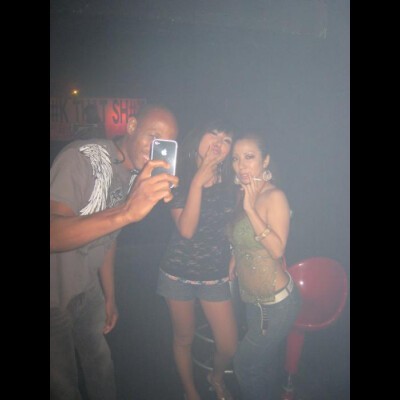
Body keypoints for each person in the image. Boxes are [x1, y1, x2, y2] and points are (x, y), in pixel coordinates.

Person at [50, 104, 179, 400]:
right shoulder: (82, 158)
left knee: (101, 368)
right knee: (63, 385)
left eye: (166, 143)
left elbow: (108, 239)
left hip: (88, 291)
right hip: (52, 300)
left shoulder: (135, 177)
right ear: (131, 126)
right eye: (153, 135)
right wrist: (126, 212)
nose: (156, 148)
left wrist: (109, 296)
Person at [156, 119, 238, 400]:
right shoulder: (176, 175)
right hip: (178, 272)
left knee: (228, 345)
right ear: (199, 136)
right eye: (213, 133)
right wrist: (197, 183)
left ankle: (215, 376)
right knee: (184, 338)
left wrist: (235, 251)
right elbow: (187, 230)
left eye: (226, 139)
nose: (219, 143)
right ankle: (190, 392)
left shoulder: (232, 178)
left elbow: (236, 220)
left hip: (215, 273)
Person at [228, 131, 301, 400]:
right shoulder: (243, 193)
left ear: (265, 160)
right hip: (253, 301)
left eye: (249, 157)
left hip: (277, 304)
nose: (241, 165)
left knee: (244, 365)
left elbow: (277, 249)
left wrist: (250, 209)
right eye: (236, 159)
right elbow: (241, 235)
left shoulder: (275, 196)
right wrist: (235, 258)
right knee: (261, 365)